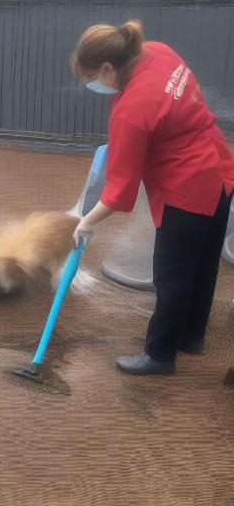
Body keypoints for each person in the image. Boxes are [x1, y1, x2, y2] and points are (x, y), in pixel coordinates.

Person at [70, 20, 234, 376]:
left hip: (188, 188)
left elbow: (119, 191)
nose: (94, 88)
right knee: (203, 265)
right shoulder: (157, 50)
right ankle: (191, 337)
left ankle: (159, 355)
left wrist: (86, 222)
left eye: (92, 80)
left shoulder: (130, 111)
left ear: (108, 68)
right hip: (220, 168)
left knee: (172, 278)